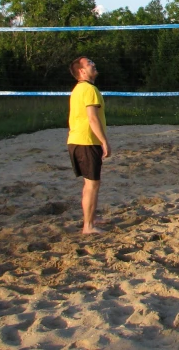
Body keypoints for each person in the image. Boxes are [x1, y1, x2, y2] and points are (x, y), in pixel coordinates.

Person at [67, 56, 111, 235]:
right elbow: (92, 118)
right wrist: (104, 141)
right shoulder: (88, 89)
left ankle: (90, 218)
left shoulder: (79, 89)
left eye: (93, 61)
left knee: (90, 184)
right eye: (89, 63)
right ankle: (88, 226)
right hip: (86, 141)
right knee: (92, 185)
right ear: (81, 71)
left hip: (77, 141)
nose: (94, 64)